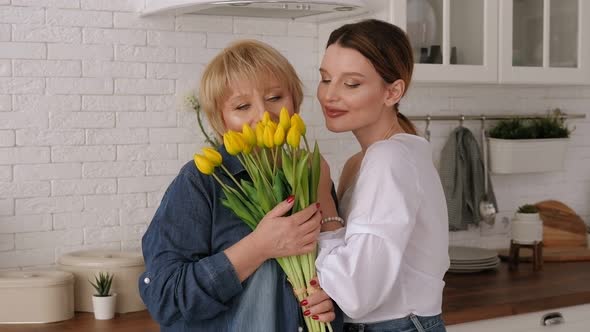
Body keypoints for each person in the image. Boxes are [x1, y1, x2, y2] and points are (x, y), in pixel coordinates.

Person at [139, 39, 342, 331]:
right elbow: (164, 298)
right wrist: (258, 247)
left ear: (294, 104)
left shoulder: (309, 176)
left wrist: (329, 300)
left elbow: (338, 275)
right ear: (220, 121)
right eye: (242, 106)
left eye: (275, 98)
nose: (262, 114)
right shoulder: (200, 182)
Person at [304, 19, 450, 332]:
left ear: (393, 91)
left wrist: (322, 199)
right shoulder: (368, 160)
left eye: (351, 84)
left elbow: (355, 294)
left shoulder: (389, 158)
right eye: (325, 79)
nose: (330, 95)